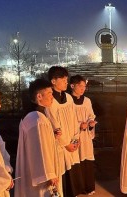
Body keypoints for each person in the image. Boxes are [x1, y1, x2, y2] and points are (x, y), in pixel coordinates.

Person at [15, 79, 62, 196]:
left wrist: (52, 137)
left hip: (36, 172)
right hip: (41, 176)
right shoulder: (37, 119)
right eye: (50, 94)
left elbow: (39, 142)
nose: (52, 97)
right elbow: (39, 149)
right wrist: (49, 174)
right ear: (39, 96)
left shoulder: (34, 115)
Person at [44, 66, 84, 196]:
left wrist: (75, 139)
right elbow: (55, 126)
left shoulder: (69, 97)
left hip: (72, 143)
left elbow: (74, 119)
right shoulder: (51, 102)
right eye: (63, 79)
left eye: (67, 79)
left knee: (73, 175)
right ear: (53, 81)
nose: (66, 82)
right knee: (62, 176)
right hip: (61, 146)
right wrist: (66, 144)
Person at [70, 75, 97, 195]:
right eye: (80, 86)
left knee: (87, 159)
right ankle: (77, 188)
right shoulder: (68, 101)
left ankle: (88, 187)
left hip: (86, 136)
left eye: (84, 86)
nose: (83, 89)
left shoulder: (87, 101)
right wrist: (79, 126)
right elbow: (67, 121)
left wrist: (91, 123)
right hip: (74, 136)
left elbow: (91, 115)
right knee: (75, 160)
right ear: (72, 86)